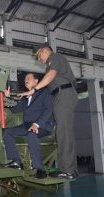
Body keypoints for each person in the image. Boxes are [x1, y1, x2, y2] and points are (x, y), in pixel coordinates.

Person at [18, 43, 78, 179]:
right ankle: (70, 169)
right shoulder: (54, 61)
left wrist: (35, 89)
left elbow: (51, 75)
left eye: (39, 55)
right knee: (64, 131)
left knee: (63, 132)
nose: (39, 59)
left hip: (64, 94)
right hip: (60, 96)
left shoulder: (55, 57)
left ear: (45, 51)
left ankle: (67, 170)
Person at [2, 73, 54, 179]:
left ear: (36, 81)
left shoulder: (44, 92)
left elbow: (48, 110)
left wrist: (36, 124)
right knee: (6, 132)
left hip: (42, 125)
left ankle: (40, 169)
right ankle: (16, 161)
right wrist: (7, 98)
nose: (26, 80)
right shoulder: (25, 97)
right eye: (25, 79)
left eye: (28, 78)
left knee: (31, 135)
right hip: (26, 126)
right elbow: (15, 109)